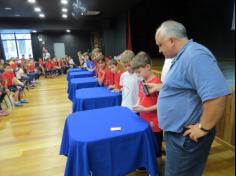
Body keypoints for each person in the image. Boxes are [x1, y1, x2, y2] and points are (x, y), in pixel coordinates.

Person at [150, 20, 231, 176]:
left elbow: (217, 95)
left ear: (171, 40)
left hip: (185, 139)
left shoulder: (194, 55)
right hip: (179, 136)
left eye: (160, 45)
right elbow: (184, 86)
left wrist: (203, 128)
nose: (159, 50)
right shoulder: (183, 56)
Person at [131, 51, 163, 173]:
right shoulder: (142, 81)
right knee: (147, 146)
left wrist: (146, 109)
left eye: (139, 72)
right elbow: (141, 97)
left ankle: (156, 171)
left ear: (148, 67)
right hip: (144, 120)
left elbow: (161, 104)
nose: (138, 75)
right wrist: (138, 105)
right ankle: (148, 166)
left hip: (155, 124)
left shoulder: (157, 83)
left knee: (156, 151)